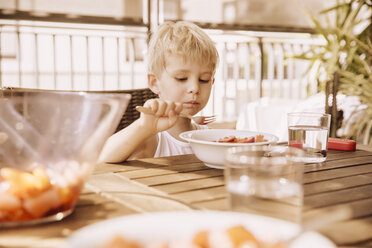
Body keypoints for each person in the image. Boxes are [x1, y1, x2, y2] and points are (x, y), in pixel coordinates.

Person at [99, 21, 219, 163]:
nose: (195, 88)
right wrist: (143, 127)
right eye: (181, 78)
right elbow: (98, 159)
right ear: (154, 82)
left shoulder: (208, 137)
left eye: (203, 79)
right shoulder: (152, 139)